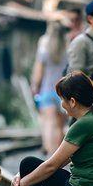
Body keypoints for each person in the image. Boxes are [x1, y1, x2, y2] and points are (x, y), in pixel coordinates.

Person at [31, 20, 69, 155]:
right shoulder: (67, 48)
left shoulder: (44, 49)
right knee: (59, 125)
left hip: (46, 90)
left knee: (48, 123)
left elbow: (38, 71)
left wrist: (35, 86)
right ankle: (57, 156)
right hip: (63, 92)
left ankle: (49, 153)